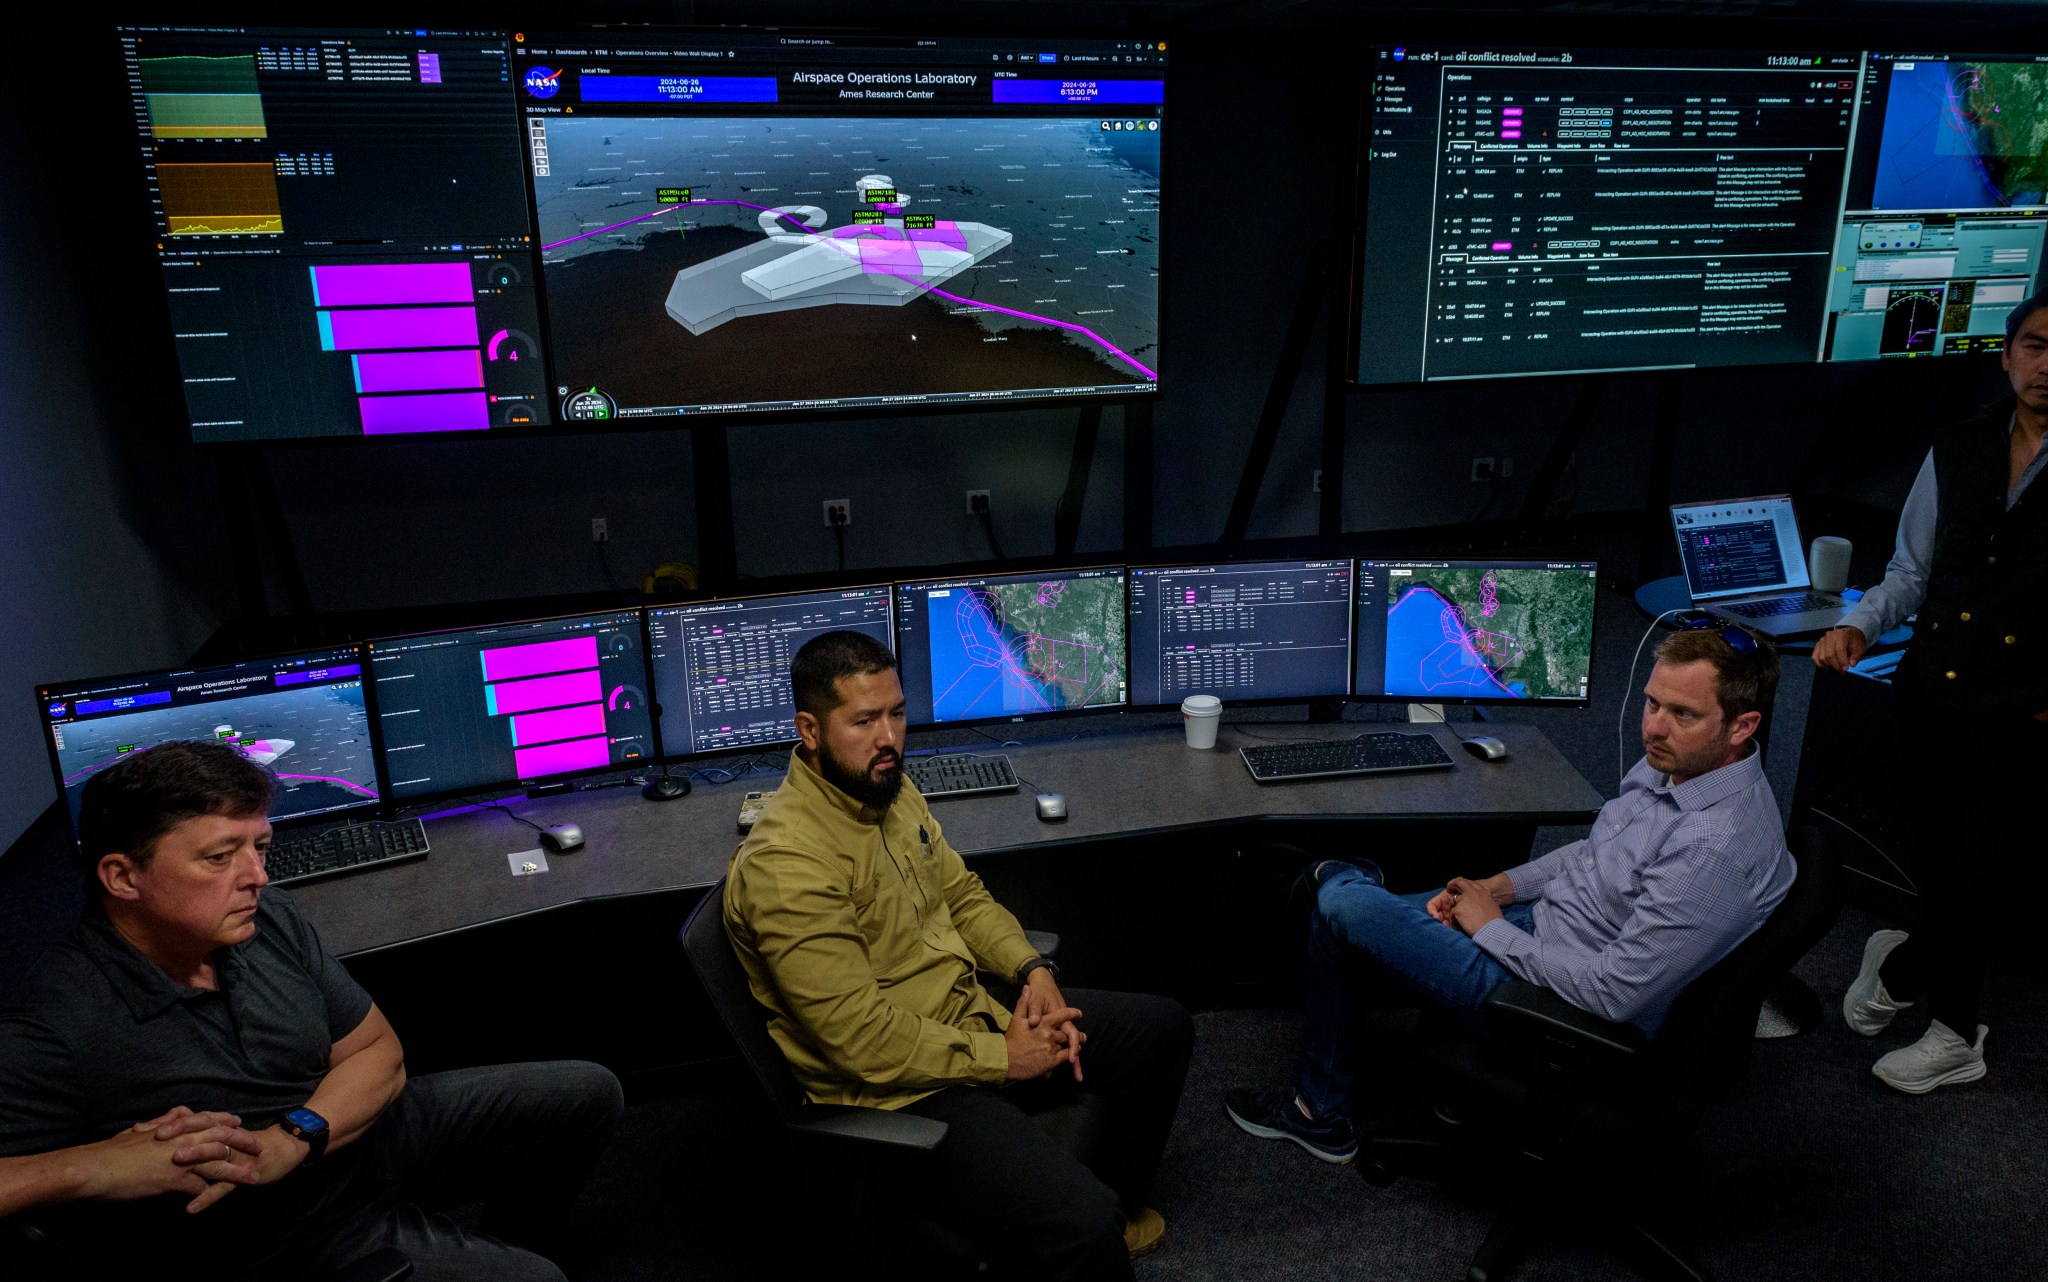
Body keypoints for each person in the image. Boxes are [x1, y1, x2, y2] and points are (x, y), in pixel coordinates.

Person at [0, 740, 624, 1280]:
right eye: (220, 857)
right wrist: (94, 1166)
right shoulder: (52, 1021)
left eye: (260, 847)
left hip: (327, 1140)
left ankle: (503, 1244)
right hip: (278, 1234)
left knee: (588, 1092)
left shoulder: (263, 920)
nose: (257, 876)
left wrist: (294, 1136)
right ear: (121, 877)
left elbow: (377, 1052)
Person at [723, 631, 1193, 1282]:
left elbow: (963, 897)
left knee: (1159, 1030)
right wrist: (1008, 1059)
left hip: (971, 1015)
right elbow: (862, 1043)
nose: (889, 737)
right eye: (863, 720)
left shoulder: (888, 789)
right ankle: (1085, 1225)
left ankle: (1106, 1206)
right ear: (809, 729)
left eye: (896, 712)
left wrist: (1032, 969)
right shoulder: (789, 866)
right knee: (1083, 1235)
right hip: (906, 1092)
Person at [1227, 626, 1793, 1163]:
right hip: (1541, 930)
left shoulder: (1712, 848)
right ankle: (1337, 890)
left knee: (1342, 905)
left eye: (1683, 714)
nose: (1654, 728)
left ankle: (1330, 882)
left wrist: (1488, 926)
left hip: (1552, 1007)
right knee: (1346, 915)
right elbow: (1596, 852)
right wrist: (1495, 888)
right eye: (1652, 703)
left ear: (1742, 727)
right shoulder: (1682, 766)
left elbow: (1613, 997)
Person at [1815, 292, 2048, 1094]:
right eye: (2035, 346)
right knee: (1946, 859)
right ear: (2008, 353)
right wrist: (1860, 628)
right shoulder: (1958, 447)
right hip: (1932, 689)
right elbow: (1910, 572)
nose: (2047, 366)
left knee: (1982, 873)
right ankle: (1913, 957)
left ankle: (1950, 1025)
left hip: (2024, 706)